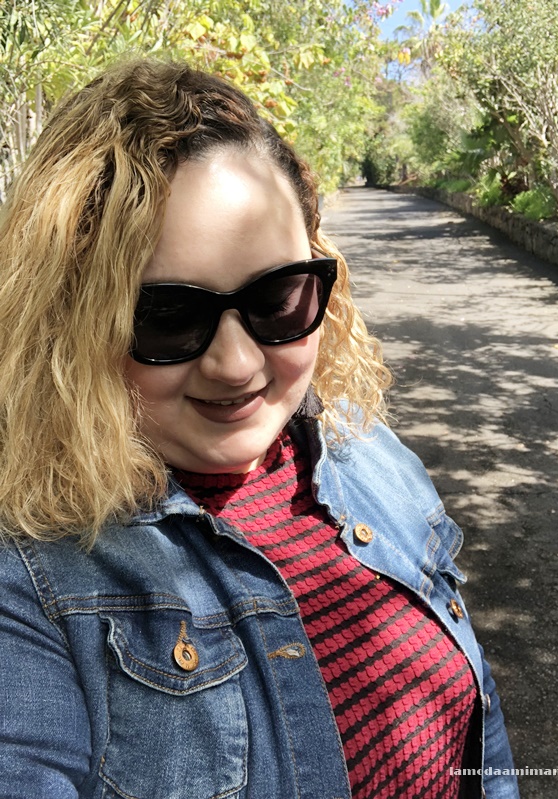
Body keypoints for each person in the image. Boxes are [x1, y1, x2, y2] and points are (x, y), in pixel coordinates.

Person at [0, 58, 519, 799]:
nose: (238, 364)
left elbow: (479, 725)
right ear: (67, 324)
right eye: (167, 316)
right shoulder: (30, 580)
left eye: (277, 297)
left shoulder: (365, 449)